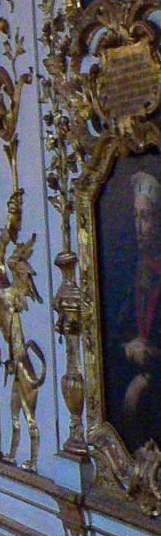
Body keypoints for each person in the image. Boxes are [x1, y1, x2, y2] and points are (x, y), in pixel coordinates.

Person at [105, 170, 161, 452]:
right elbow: (108, 338)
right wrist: (127, 349)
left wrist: (149, 377)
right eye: (136, 217)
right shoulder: (131, 275)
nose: (139, 227)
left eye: (147, 217)